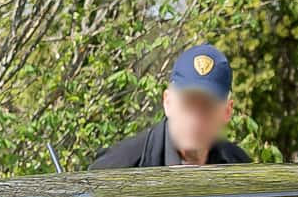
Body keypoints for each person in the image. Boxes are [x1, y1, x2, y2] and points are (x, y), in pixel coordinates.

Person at [93, 46, 253, 168]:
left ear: (227, 112)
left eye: (207, 107)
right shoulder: (118, 169)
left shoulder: (240, 169)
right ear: (167, 102)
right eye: (187, 104)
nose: (195, 119)